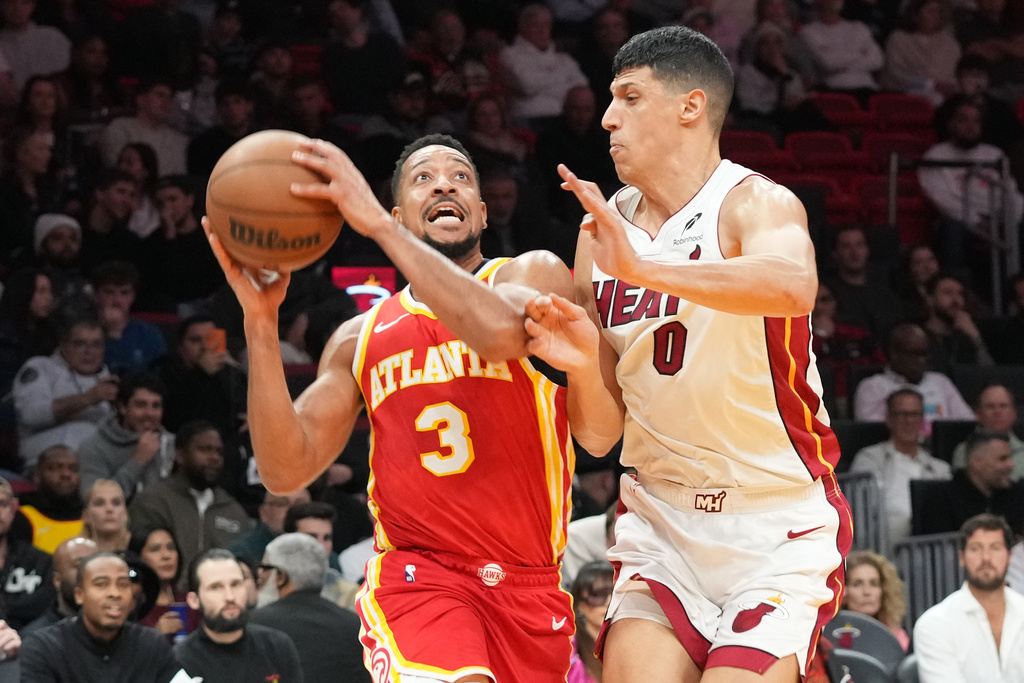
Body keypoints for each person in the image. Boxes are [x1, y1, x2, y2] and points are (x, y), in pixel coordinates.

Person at [522, 26, 850, 683]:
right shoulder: (600, 232)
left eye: (629, 97)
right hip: (662, 520)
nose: (608, 116)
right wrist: (583, 362)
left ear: (690, 107)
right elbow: (598, 434)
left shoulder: (753, 203)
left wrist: (647, 270)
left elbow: (792, 287)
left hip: (774, 521)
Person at [206, 129, 577, 682]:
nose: (443, 185)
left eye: (459, 177)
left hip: (529, 584)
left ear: (480, 213)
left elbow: (499, 335)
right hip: (419, 579)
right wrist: (260, 324)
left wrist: (376, 224)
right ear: (402, 213)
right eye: (423, 179)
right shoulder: (362, 337)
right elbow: (285, 470)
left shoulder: (529, 274)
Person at [18, 551, 184, 682]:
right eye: (101, 584)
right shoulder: (43, 647)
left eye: (123, 584)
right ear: (79, 595)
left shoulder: (153, 644)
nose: (114, 593)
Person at [129, 420, 252, 572]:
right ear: (180, 455)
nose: (214, 458)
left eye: (219, 451)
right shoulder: (153, 501)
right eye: (205, 449)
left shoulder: (232, 509)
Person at [913, 513, 1024, 682]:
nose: (986, 558)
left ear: (1009, 557)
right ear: (962, 558)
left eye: (995, 547)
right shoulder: (934, 624)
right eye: (976, 548)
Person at [250, 533, 368, 683]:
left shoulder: (256, 625)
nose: (260, 576)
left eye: (265, 568)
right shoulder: (355, 626)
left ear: (280, 576)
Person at [174, 548, 304, 683]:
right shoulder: (180, 661)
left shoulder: (277, 647)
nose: (230, 596)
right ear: (194, 600)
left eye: (236, 584)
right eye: (216, 587)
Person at [13, 316, 118, 474]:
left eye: (96, 344)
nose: (89, 352)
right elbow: (30, 415)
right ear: (62, 344)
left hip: (96, 464)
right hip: (43, 458)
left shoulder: (110, 380)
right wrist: (87, 399)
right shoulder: (41, 367)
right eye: (79, 344)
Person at [850, 388, 951, 548]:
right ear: (889, 419)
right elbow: (859, 510)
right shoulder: (869, 458)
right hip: (878, 540)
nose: (909, 421)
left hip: (927, 542)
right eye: (901, 414)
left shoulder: (940, 469)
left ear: (922, 420)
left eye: (914, 414)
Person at [853, 322, 974, 424]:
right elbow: (872, 433)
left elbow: (966, 423)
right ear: (894, 354)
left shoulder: (940, 382)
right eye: (914, 354)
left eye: (924, 354)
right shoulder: (872, 387)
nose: (921, 361)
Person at [77, 372, 172, 500]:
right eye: (140, 405)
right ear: (122, 407)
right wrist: (138, 461)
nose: (149, 413)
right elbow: (96, 500)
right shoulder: (93, 447)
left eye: (156, 406)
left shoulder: (172, 444)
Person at [914, 429, 1024, 535]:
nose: (1010, 465)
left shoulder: (1017, 496)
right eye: (1002, 459)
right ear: (977, 462)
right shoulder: (941, 500)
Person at [500, 3, 589, 125]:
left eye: (546, 25)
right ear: (522, 27)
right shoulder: (510, 55)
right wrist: (563, 81)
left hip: (564, 121)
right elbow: (527, 85)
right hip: (529, 120)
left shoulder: (564, 59)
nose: (542, 30)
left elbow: (581, 88)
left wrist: (543, 82)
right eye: (535, 25)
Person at [98, 77, 189, 176]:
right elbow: (117, 170)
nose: (166, 101)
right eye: (160, 95)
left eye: (170, 97)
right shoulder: (119, 129)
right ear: (140, 99)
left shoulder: (180, 141)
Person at [879, 0, 959, 105]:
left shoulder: (950, 44)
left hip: (945, 98)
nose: (935, 15)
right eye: (930, 11)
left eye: (938, 11)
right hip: (904, 97)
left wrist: (948, 86)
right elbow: (895, 74)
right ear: (915, 15)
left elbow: (954, 73)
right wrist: (929, 84)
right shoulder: (898, 39)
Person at [0, 475, 55, 629]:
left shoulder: (41, 561)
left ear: (14, 508)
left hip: (31, 644)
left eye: (2, 504)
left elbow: (48, 608)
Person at [20, 536, 97, 638]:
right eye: (79, 566)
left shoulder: (118, 631)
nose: (90, 573)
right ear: (57, 580)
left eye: (96, 566)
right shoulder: (36, 638)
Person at [129, 526, 200, 637]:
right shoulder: (132, 606)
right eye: (155, 549)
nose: (166, 556)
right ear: (138, 557)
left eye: (171, 548)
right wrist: (156, 634)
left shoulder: (191, 601)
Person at [18, 444, 84, 553]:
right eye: (55, 468)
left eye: (73, 469)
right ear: (37, 476)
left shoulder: (92, 514)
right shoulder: (22, 517)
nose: (66, 474)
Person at [841, 550, 909, 651]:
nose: (867, 592)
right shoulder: (829, 636)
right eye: (857, 584)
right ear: (843, 590)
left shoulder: (897, 637)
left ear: (884, 590)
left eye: (874, 584)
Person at [952, 385, 1024, 478]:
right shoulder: (964, 452)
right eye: (990, 406)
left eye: (1003, 406)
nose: (997, 412)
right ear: (978, 414)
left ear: (1014, 413)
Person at [227, 488, 312, 566]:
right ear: (263, 513)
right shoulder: (242, 552)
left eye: (301, 504)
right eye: (281, 504)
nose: (292, 510)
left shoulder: (321, 542)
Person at [0, 0, 71, 91]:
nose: (17, 9)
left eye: (24, 3)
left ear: (33, 6)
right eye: (10, 3)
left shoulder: (53, 38)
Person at [568, 561, 614, 683]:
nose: (609, 602)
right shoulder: (569, 649)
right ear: (579, 604)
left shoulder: (630, 642)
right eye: (598, 594)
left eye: (615, 594)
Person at [79, 478, 131, 551]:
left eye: (116, 503)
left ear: (125, 514)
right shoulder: (74, 554)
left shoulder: (140, 551)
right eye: (100, 503)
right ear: (86, 515)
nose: (109, 509)